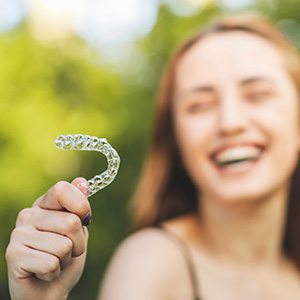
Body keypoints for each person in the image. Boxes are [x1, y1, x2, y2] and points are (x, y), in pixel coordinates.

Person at [5, 13, 300, 300]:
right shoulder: (151, 264)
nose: (230, 122)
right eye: (200, 105)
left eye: (258, 95)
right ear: (177, 141)